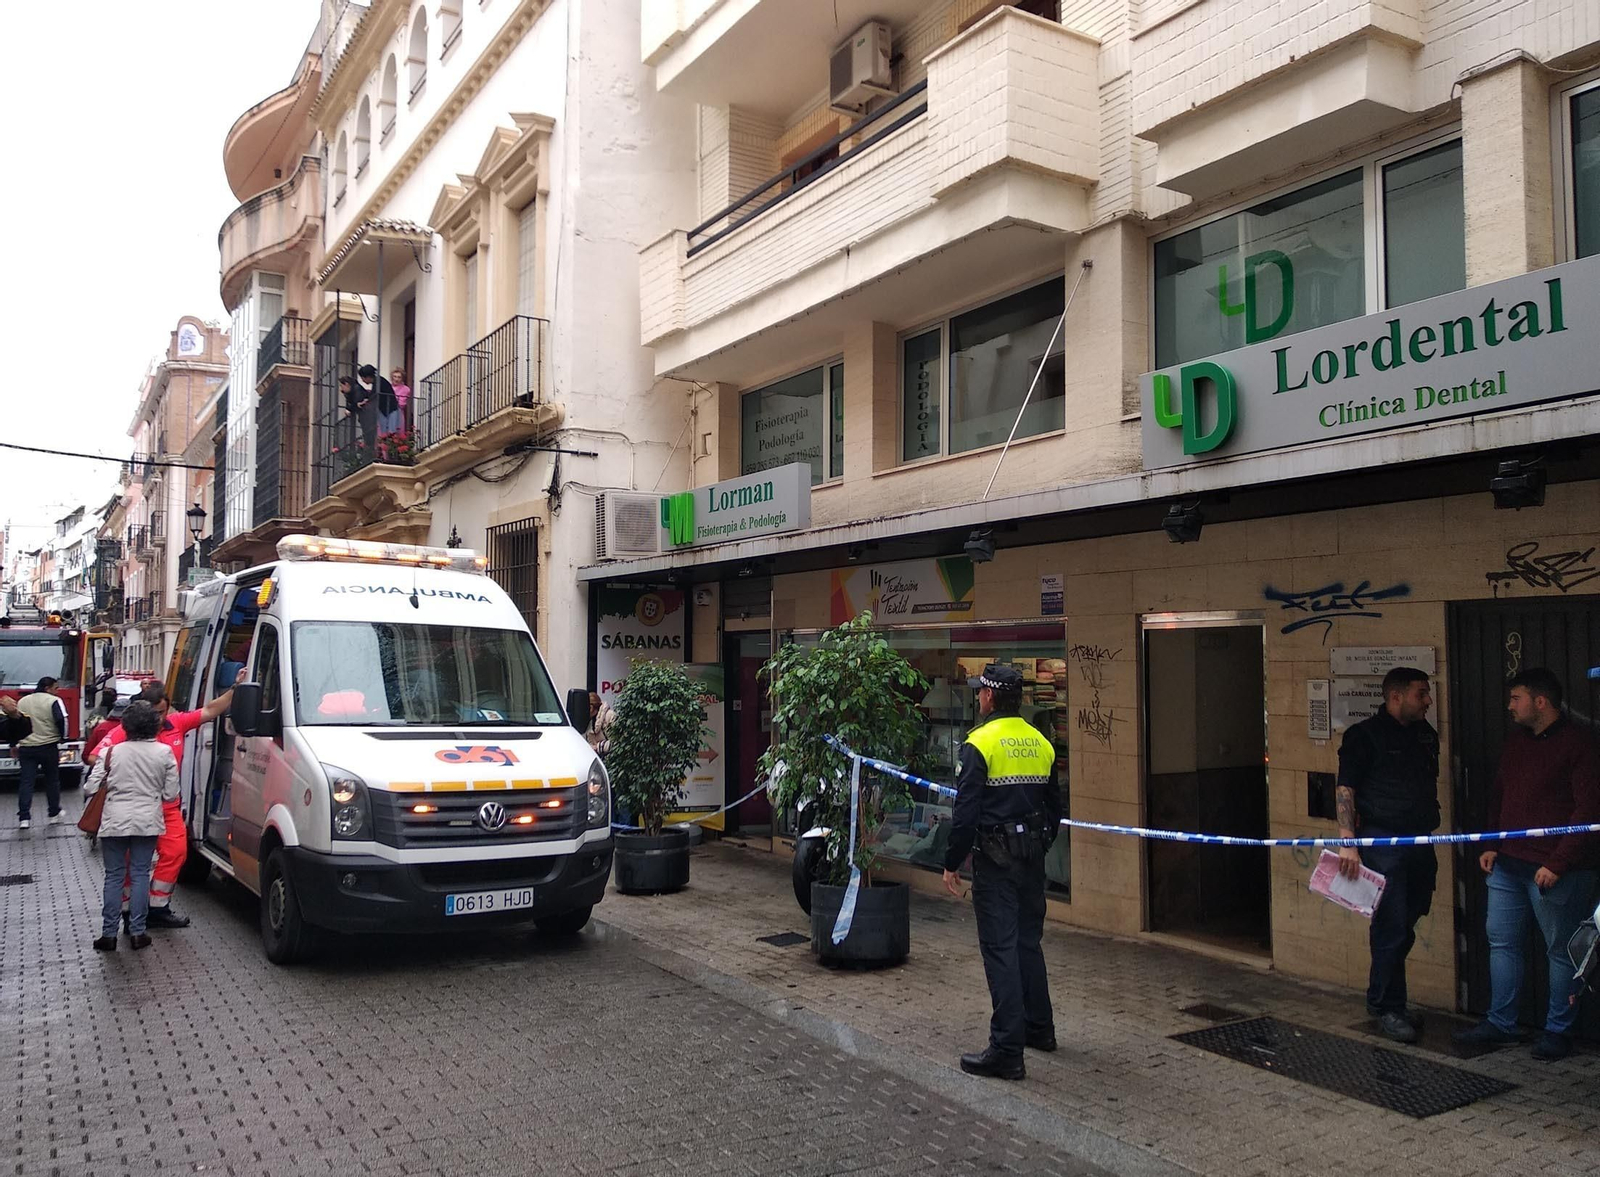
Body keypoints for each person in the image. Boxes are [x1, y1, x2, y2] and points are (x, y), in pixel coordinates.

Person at [1453, 669, 1600, 1061]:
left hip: (1557, 871)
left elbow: (1588, 811)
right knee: (1502, 942)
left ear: (1540, 701)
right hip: (1508, 864)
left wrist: (1559, 861)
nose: (1509, 706)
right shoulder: (1516, 743)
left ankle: (1558, 1031)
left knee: (1561, 950)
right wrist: (1491, 842)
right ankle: (1501, 1024)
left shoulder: (1579, 745)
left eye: (1516, 698)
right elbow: (1500, 794)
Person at [940, 664, 1061, 1081]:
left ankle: (1007, 1049)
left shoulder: (980, 742)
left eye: (980, 693)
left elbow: (966, 812)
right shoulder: (1041, 742)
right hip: (1031, 862)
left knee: (1001, 948)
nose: (977, 698)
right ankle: (1039, 1029)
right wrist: (1038, 847)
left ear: (991, 697)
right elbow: (1055, 810)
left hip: (995, 863)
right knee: (1029, 943)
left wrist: (952, 861)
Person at [86, 674, 243, 928]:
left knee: (176, 853)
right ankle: (129, 911)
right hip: (137, 806)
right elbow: (95, 758)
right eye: (155, 713)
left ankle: (158, 907)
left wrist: (236, 687)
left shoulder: (176, 723)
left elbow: (212, 709)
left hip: (168, 809)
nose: (160, 718)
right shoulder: (124, 730)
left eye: (163, 711)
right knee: (130, 865)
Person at [1335, 666, 1439, 1044]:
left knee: (1409, 921)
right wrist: (1348, 841)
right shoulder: (1364, 736)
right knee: (1391, 926)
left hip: (1421, 840)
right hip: (1383, 841)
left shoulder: (1426, 735)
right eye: (1421, 694)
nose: (1428, 701)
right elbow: (1346, 788)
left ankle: (1393, 998)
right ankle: (1386, 1006)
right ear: (1395, 696)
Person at [84, 700, 178, 952]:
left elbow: (89, 788)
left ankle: (108, 935)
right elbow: (171, 795)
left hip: (114, 821)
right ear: (154, 725)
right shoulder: (164, 753)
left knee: (114, 876)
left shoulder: (110, 753)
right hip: (147, 822)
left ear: (126, 726)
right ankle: (137, 932)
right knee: (139, 875)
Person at [14, 677, 69, 829]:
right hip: (48, 746)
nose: (57, 691)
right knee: (52, 781)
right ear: (47, 688)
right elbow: (61, 720)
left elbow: (15, 723)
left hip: (26, 747)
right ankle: (53, 813)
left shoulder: (23, 701)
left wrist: (14, 743)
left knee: (26, 782)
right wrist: (62, 738)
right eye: (55, 688)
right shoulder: (54, 701)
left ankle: (24, 818)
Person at [359, 364, 399, 439]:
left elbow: (373, 396)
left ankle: (390, 448)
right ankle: (386, 448)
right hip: (384, 409)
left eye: (362, 378)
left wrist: (366, 401)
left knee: (391, 432)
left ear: (367, 377)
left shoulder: (379, 382)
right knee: (385, 432)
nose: (363, 380)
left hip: (390, 409)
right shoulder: (378, 381)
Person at [586, 691, 616, 757]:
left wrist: (598, 747)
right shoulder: (588, 722)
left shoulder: (610, 716)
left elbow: (617, 742)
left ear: (591, 708)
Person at [387, 366, 411, 436]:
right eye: (395, 376)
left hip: (397, 413)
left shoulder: (405, 389)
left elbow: (401, 403)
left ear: (402, 379)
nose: (396, 379)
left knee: (396, 433)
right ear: (392, 377)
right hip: (386, 413)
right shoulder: (388, 387)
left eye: (399, 377)